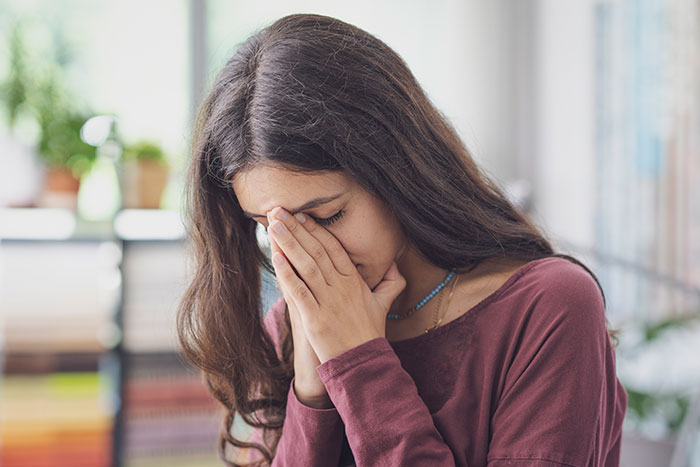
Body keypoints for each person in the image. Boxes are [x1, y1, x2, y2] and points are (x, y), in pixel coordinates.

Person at [176, 13, 628, 467]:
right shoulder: (292, 326)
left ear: (397, 171)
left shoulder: (548, 309)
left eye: (327, 215)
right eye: (269, 227)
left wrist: (356, 361)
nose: (308, 255)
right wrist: (311, 390)